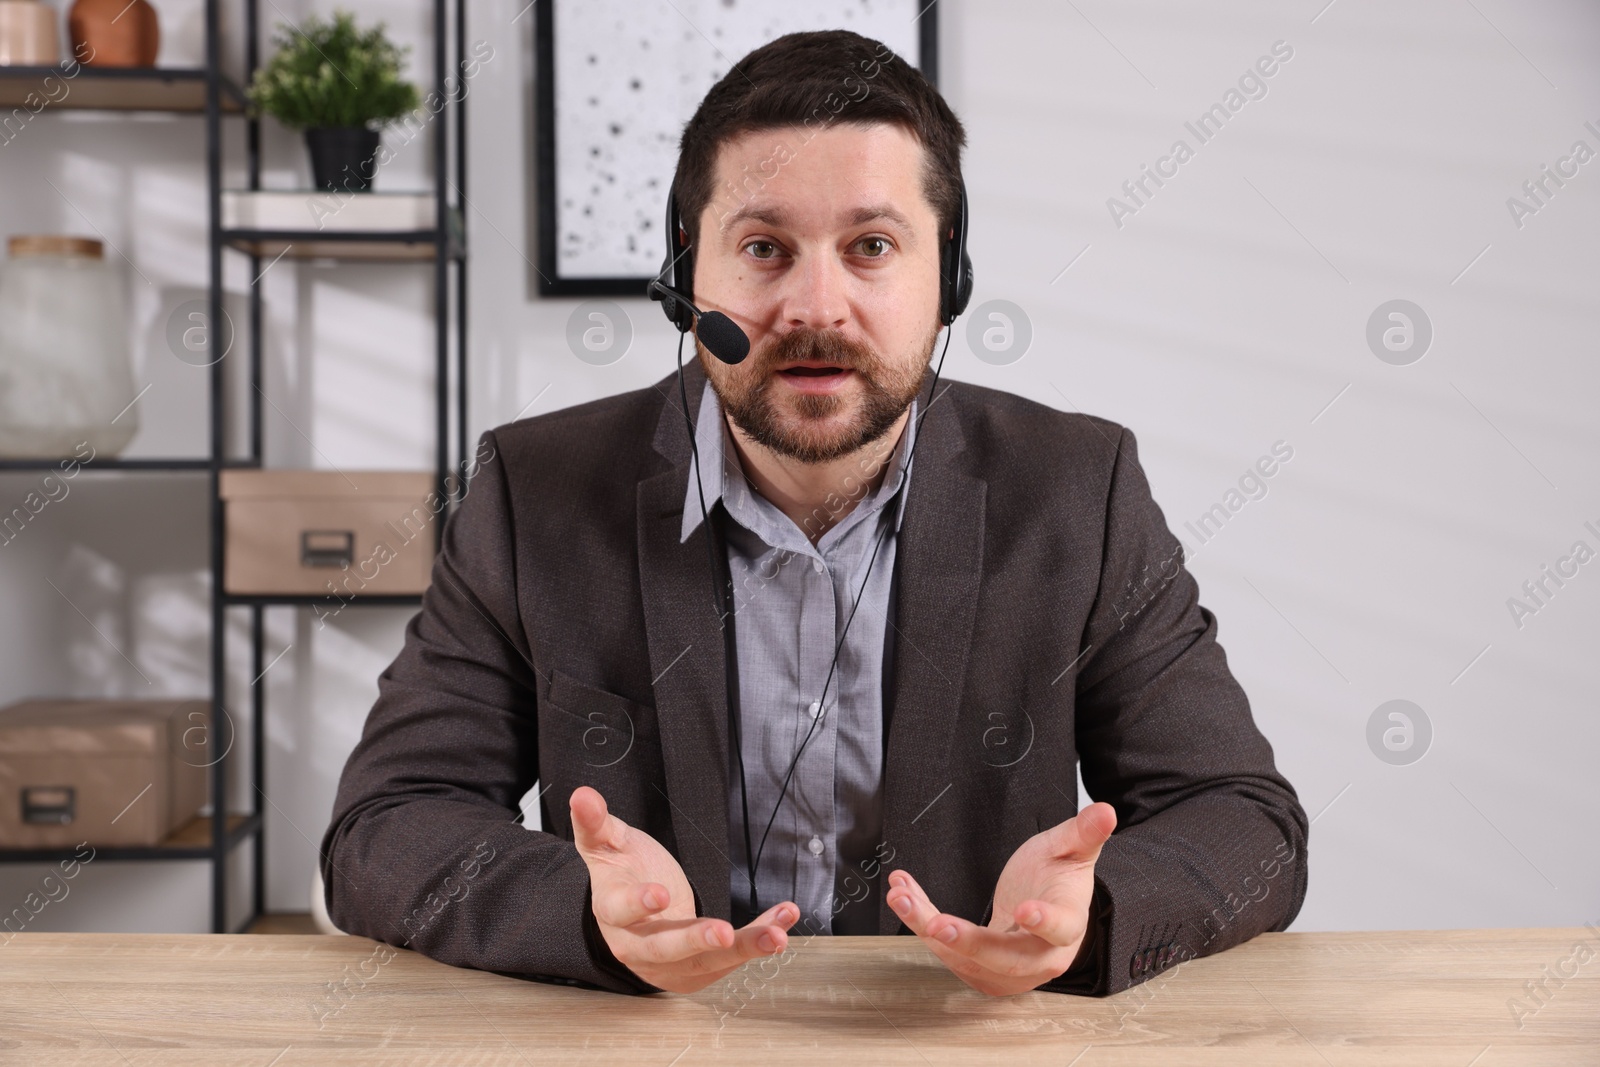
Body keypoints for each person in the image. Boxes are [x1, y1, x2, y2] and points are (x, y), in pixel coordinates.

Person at [321, 28, 1307, 999]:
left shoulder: (1076, 489)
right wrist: (588, 911)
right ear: (686, 272)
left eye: (871, 245)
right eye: (763, 247)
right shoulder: (533, 488)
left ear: (948, 275)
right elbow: (385, 822)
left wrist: (1084, 920)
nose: (814, 305)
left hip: (954, 1036)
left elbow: (1242, 815)